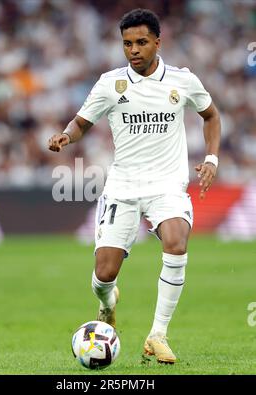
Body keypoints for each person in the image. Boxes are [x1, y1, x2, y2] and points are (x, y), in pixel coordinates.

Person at [49, 8, 221, 364]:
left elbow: (211, 116)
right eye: (127, 43)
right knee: (104, 273)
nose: (134, 50)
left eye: (142, 42)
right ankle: (107, 304)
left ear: (158, 42)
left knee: (176, 241)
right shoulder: (111, 84)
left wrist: (212, 158)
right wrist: (66, 136)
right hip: (123, 187)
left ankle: (157, 335)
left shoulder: (182, 80)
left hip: (167, 185)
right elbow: (82, 122)